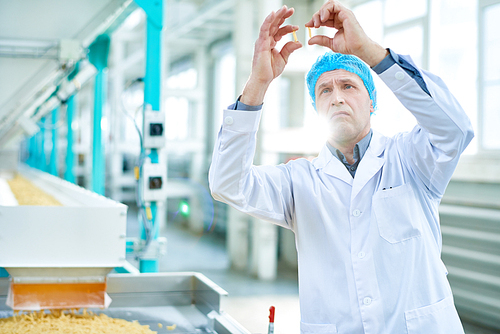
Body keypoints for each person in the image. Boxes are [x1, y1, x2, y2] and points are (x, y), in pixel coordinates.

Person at [209, 1, 474, 333]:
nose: (336, 98)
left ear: (372, 101)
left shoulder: (412, 159)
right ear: (316, 107)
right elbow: (227, 183)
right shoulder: (298, 181)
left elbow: (456, 128)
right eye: (325, 91)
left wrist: (370, 52)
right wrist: (258, 84)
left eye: (348, 86)